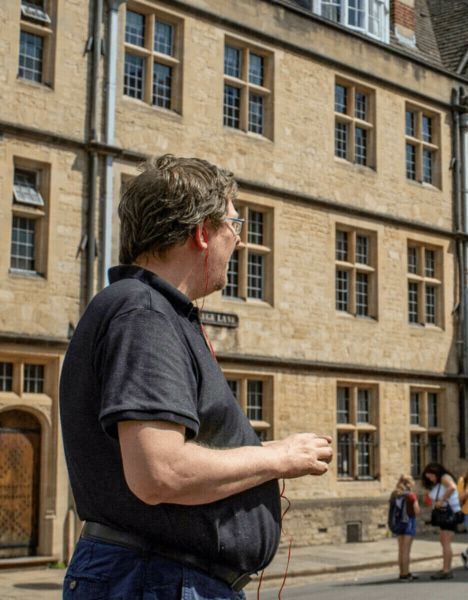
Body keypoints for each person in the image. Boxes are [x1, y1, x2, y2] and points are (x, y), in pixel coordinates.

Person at [59, 155, 334, 599]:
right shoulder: (143, 312)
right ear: (202, 233)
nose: (239, 240)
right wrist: (278, 457)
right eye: (234, 223)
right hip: (156, 579)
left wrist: (261, 456)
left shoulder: (152, 311)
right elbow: (159, 472)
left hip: (161, 576)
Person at [421, 463, 461, 580]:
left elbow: (452, 487)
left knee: (446, 541)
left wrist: (442, 499)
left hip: (449, 513)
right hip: (445, 514)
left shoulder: (444, 477)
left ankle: (446, 570)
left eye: (431, 476)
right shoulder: (439, 483)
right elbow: (433, 501)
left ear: (435, 472)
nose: (430, 479)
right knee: (444, 541)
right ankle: (446, 568)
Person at [390, 474, 420, 582]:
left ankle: (401, 572)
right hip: (408, 523)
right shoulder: (411, 495)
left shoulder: (395, 494)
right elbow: (417, 511)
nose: (413, 483)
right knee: (406, 551)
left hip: (398, 524)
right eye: (412, 481)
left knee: (401, 550)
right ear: (408, 484)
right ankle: (405, 574)